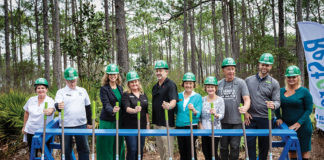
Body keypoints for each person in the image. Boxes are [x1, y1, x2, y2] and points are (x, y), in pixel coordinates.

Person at [245, 53, 280, 160]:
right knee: (249, 145)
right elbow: (243, 98)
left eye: (267, 65)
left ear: (271, 66)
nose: (264, 67)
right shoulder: (248, 80)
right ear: (259, 64)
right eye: (263, 64)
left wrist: (273, 104)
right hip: (250, 119)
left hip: (266, 119)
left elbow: (277, 101)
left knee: (264, 146)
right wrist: (245, 112)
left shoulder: (274, 83)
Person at [275, 65, 313, 160]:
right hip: (287, 127)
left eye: (294, 77)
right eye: (289, 77)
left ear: (298, 77)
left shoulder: (304, 92)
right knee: (291, 150)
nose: (291, 79)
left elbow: (309, 109)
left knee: (304, 151)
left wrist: (298, 123)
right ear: (286, 78)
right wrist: (278, 117)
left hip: (303, 127)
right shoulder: (281, 91)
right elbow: (276, 105)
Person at [217, 57, 250, 160]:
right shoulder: (218, 84)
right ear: (223, 70)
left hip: (237, 121)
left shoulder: (241, 83)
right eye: (228, 69)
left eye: (232, 68)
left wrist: (245, 108)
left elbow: (247, 99)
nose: (231, 71)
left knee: (235, 146)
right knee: (223, 147)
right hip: (222, 121)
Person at [55, 67, 92, 160]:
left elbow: (88, 107)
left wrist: (90, 122)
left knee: (84, 148)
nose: (72, 83)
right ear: (65, 80)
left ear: (77, 79)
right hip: (65, 125)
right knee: (66, 150)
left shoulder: (82, 91)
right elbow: (57, 105)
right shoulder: (61, 92)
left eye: (74, 81)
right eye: (70, 81)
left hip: (81, 124)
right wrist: (59, 106)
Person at [97, 64, 125, 160]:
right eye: (110, 74)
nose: (113, 76)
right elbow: (106, 104)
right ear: (107, 75)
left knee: (118, 143)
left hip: (119, 120)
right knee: (107, 144)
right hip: (108, 121)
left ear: (117, 75)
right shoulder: (104, 89)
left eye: (114, 74)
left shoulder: (120, 88)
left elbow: (124, 103)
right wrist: (112, 110)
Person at [151, 60, 178, 160]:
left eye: (160, 70)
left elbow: (173, 101)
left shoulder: (171, 85)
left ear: (166, 72)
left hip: (166, 124)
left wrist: (169, 106)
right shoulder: (155, 87)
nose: (158, 72)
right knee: (161, 150)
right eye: (157, 70)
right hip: (157, 123)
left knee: (168, 151)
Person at [22, 78, 55, 156]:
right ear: (36, 90)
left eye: (43, 88)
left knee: (46, 153)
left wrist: (49, 111)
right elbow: (26, 113)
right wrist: (24, 126)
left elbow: (51, 110)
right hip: (31, 130)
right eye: (38, 88)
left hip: (44, 131)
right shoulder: (31, 100)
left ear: (46, 89)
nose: (40, 90)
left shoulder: (50, 101)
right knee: (32, 152)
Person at [121, 71, 150, 160]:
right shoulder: (126, 94)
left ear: (138, 82)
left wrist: (148, 124)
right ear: (128, 84)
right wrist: (134, 110)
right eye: (132, 82)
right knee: (132, 149)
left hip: (142, 126)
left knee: (140, 149)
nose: (134, 84)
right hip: (129, 127)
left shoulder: (143, 94)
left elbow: (146, 111)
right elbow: (126, 108)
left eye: (135, 81)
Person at [175, 72, 202, 160]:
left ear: (194, 84)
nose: (188, 85)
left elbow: (198, 113)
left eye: (190, 83)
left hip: (191, 125)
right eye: (186, 83)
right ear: (183, 84)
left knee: (191, 150)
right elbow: (175, 110)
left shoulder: (197, 96)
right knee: (182, 150)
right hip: (179, 126)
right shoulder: (178, 95)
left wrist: (193, 109)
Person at [199, 76, 225, 160]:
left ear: (216, 88)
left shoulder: (220, 100)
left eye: (212, 87)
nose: (210, 89)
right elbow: (199, 115)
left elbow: (222, 115)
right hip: (204, 129)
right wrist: (200, 126)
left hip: (215, 130)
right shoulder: (202, 99)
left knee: (213, 153)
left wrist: (216, 114)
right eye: (208, 87)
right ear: (205, 88)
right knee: (205, 152)